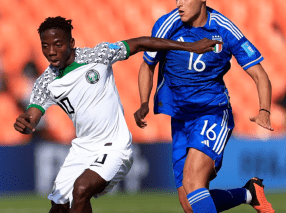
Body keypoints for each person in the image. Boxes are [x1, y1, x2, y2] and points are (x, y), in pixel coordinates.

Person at [13, 16, 220, 213]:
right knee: (58, 207)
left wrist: (189, 47)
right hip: (81, 149)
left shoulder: (97, 56)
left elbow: (139, 43)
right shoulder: (45, 83)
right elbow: (33, 113)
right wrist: (26, 121)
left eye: (58, 44)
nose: (51, 51)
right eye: (45, 46)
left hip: (115, 147)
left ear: (71, 42)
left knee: (81, 189)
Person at [134, 0, 275, 213]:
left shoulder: (224, 29)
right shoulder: (166, 25)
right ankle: (248, 193)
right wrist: (144, 101)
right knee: (189, 204)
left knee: (192, 182)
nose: (179, 4)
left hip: (211, 113)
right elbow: (147, 65)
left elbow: (259, 74)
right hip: (180, 118)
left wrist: (264, 110)